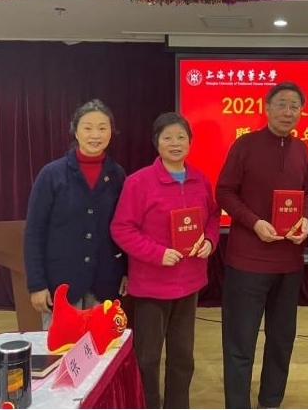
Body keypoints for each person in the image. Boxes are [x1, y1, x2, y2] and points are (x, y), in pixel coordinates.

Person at [215, 81, 308, 409]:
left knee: (281, 341)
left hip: (289, 264)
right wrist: (254, 222)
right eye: (282, 104)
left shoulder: (301, 149)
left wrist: (305, 219)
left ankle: (271, 402)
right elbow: (224, 192)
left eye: (295, 106)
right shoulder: (245, 145)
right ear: (267, 107)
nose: (288, 112)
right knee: (240, 342)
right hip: (247, 262)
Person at [110, 112, 221, 409]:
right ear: (156, 143)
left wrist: (210, 241)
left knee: (183, 356)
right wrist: (157, 253)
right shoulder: (139, 182)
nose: (175, 143)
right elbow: (121, 228)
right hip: (151, 286)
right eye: (168, 137)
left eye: (181, 137)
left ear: (190, 143)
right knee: (147, 358)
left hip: (189, 283)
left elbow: (212, 217)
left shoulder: (200, 180)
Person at [24, 99, 127, 330]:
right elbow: (34, 233)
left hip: (104, 283)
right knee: (63, 350)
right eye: (88, 127)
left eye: (102, 128)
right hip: (61, 285)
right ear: (75, 131)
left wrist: (126, 272)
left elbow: (125, 227)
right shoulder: (52, 174)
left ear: (111, 132)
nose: (95, 135)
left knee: (101, 348)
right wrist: (37, 284)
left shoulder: (117, 175)